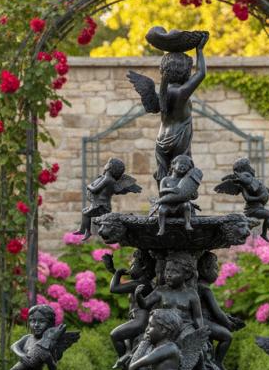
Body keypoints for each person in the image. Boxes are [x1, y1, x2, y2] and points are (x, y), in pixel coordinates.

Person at [127, 34, 208, 184]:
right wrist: (200, 50)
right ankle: (179, 196)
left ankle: (163, 195)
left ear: (163, 69)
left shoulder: (162, 94)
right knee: (181, 174)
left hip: (161, 139)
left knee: (163, 175)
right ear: (185, 71)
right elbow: (201, 73)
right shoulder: (181, 92)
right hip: (178, 137)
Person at [103, 249, 156, 366]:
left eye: (133, 264)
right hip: (136, 319)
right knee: (128, 346)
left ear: (143, 267)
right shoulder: (142, 282)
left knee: (115, 335)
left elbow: (114, 288)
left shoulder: (139, 284)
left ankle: (124, 362)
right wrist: (112, 270)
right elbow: (123, 284)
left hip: (140, 321)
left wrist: (118, 273)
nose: (130, 266)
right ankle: (127, 359)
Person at [74, 157, 141, 240]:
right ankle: (85, 231)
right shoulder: (106, 178)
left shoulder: (108, 179)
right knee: (85, 212)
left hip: (101, 206)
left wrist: (88, 186)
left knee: (86, 214)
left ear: (109, 166)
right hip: (98, 204)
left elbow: (95, 190)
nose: (105, 165)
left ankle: (85, 231)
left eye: (107, 164)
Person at [197, 252, 244, 369]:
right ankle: (217, 363)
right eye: (215, 269)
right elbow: (217, 313)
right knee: (227, 336)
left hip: (204, 320)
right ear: (205, 270)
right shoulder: (205, 289)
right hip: (203, 321)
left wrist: (227, 318)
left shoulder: (198, 286)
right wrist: (229, 324)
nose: (217, 272)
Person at [215, 157, 269, 240]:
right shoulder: (243, 187)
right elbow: (248, 198)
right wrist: (259, 197)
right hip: (252, 210)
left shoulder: (252, 181)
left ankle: (264, 234)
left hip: (258, 207)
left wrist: (265, 190)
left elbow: (257, 186)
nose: (249, 176)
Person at [149, 154, 202, 235]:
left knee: (186, 205)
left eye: (186, 165)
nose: (183, 166)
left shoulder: (185, 181)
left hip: (180, 205)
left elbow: (192, 195)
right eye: (181, 164)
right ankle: (161, 228)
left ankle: (187, 224)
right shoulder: (166, 180)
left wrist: (193, 194)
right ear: (173, 165)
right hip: (168, 205)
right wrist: (171, 189)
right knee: (161, 209)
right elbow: (162, 191)